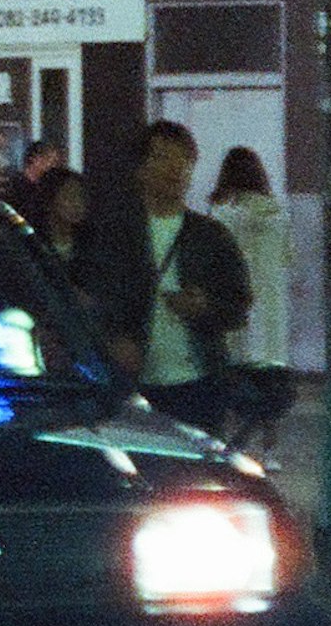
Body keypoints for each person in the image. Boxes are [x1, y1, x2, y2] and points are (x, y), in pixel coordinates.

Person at [75, 122, 254, 432]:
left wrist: (205, 307)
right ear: (140, 170)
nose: (175, 168)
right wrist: (113, 340)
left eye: (184, 159)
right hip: (131, 386)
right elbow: (89, 299)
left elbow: (238, 305)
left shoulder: (211, 236)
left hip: (199, 385)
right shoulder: (114, 234)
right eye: (162, 157)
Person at [204, 147, 300, 449]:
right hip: (271, 312)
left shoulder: (221, 214)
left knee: (234, 379)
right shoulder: (278, 214)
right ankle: (270, 449)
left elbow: (213, 261)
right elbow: (288, 257)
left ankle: (232, 447)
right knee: (270, 384)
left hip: (236, 308)